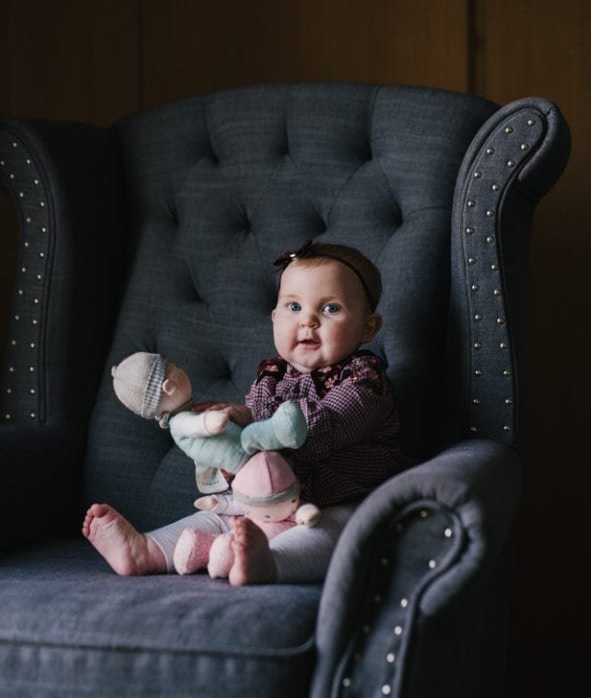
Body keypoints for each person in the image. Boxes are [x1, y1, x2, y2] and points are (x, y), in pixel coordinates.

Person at [83, 241, 405, 585]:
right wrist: (229, 427)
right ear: (275, 317)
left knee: (336, 532)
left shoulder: (365, 378)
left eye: (331, 309)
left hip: (337, 500)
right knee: (219, 518)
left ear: (367, 328)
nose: (308, 320)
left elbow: (325, 426)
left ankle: (269, 562)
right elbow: (254, 435)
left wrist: (253, 423)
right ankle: (146, 550)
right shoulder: (271, 375)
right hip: (269, 501)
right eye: (294, 306)